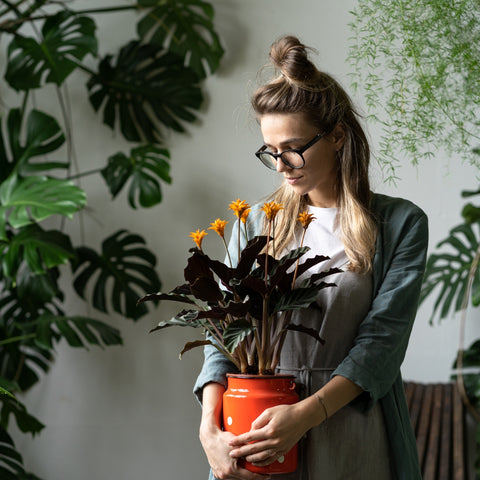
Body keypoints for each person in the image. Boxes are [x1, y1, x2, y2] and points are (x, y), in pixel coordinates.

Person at [194, 35, 428, 480]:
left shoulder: (400, 224)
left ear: (338, 136)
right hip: (255, 435)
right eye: (271, 152)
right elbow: (221, 334)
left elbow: (381, 346)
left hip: (350, 434)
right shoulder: (254, 223)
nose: (282, 165)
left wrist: (304, 416)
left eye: (294, 148)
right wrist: (210, 431)